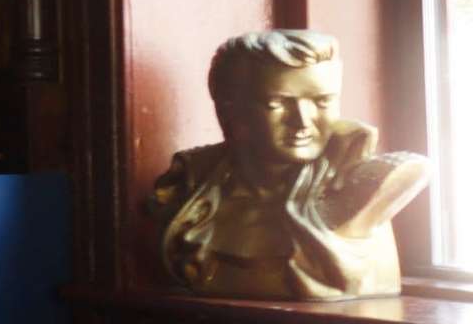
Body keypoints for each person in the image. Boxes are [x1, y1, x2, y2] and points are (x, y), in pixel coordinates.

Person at [147, 28, 431, 300]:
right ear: (229, 108)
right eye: (278, 103)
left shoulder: (368, 187)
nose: (303, 121)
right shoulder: (189, 187)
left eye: (322, 101)